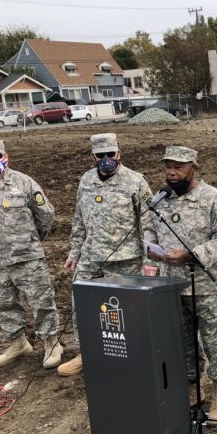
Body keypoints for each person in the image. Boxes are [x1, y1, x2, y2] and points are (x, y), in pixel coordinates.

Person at [143, 145, 217, 423]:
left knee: (215, 341)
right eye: (168, 167)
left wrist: (190, 255)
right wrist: (152, 248)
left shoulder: (213, 199)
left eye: (178, 167)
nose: (171, 173)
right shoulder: (159, 198)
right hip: (171, 287)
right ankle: (192, 387)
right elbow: (148, 228)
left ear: (194, 168)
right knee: (182, 342)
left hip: (208, 288)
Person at [58, 133, 153, 376]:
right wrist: (75, 251)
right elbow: (79, 219)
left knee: (126, 313)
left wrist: (149, 259)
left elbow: (149, 223)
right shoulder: (86, 180)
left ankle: (130, 355)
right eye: (100, 155)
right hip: (90, 258)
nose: (106, 159)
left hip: (125, 259)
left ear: (119, 153)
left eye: (110, 154)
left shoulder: (136, 181)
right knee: (82, 307)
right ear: (93, 156)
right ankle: (86, 354)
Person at [0, 138, 63, 368]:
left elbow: (45, 215)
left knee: (40, 301)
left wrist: (30, 240)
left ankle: (52, 343)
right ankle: (18, 342)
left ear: (5, 155)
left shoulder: (23, 182)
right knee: (3, 303)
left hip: (26, 255)